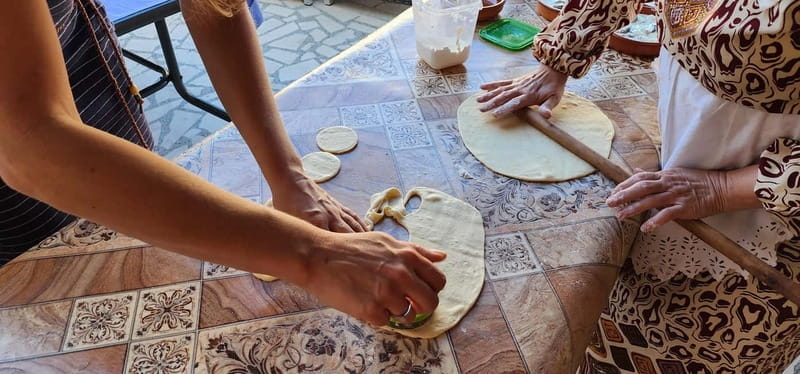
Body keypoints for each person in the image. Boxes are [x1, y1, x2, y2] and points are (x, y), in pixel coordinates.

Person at [0, 0, 446, 327]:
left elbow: (214, 8)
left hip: (95, 110)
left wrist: (289, 177)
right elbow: (31, 145)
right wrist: (316, 256)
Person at [479, 0, 800, 372]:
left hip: (764, 240)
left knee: (678, 357)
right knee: (599, 335)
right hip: (675, 167)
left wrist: (722, 187)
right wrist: (563, 54)